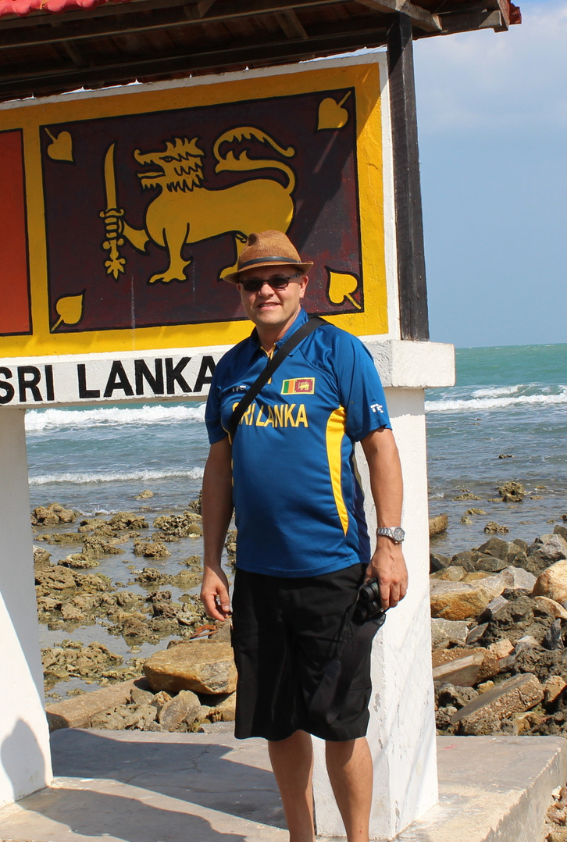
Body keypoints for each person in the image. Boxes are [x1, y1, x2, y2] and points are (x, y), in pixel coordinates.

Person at [200, 231, 408, 842]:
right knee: (279, 720)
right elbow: (219, 468)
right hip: (259, 577)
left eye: (278, 279)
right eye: (252, 282)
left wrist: (389, 544)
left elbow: (380, 447)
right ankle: (301, 837)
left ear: (301, 284)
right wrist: (211, 563)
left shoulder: (339, 352)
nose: (265, 290)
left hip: (333, 572)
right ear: (241, 292)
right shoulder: (231, 369)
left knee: (341, 723)